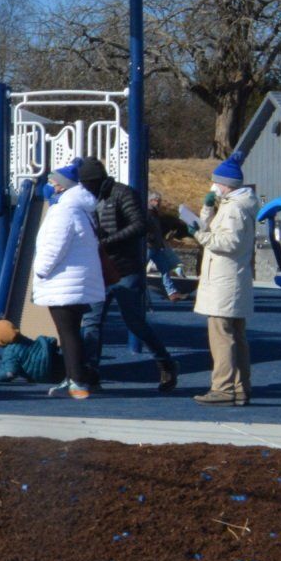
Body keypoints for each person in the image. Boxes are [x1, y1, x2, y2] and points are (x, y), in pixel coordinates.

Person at [75, 157, 177, 392]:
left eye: (88, 184)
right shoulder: (86, 198)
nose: (86, 189)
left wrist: (107, 241)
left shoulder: (123, 193)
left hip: (124, 268)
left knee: (134, 322)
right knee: (91, 321)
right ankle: (91, 372)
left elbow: (140, 225)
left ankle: (165, 362)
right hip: (99, 268)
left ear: (96, 181)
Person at [31, 160, 103, 400]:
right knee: (70, 330)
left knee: (68, 332)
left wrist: (40, 271)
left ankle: (76, 380)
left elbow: (54, 246)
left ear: (62, 186)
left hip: (63, 281)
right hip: (76, 279)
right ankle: (74, 377)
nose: (50, 185)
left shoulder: (63, 211)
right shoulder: (80, 208)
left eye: (53, 182)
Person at [192, 154, 256, 406]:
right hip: (233, 280)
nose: (213, 186)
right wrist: (208, 208)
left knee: (221, 336)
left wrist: (200, 236)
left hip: (224, 281)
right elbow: (211, 227)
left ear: (225, 184)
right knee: (236, 336)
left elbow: (229, 242)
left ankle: (223, 387)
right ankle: (240, 387)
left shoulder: (233, 209)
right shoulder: (235, 205)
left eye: (216, 182)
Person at [145, 191, 190, 301]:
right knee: (141, 269)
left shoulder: (155, 214)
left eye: (158, 201)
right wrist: (149, 239)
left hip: (156, 246)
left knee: (165, 269)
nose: (157, 203)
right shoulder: (147, 214)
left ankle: (172, 293)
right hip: (149, 246)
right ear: (150, 201)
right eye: (155, 200)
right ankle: (138, 292)